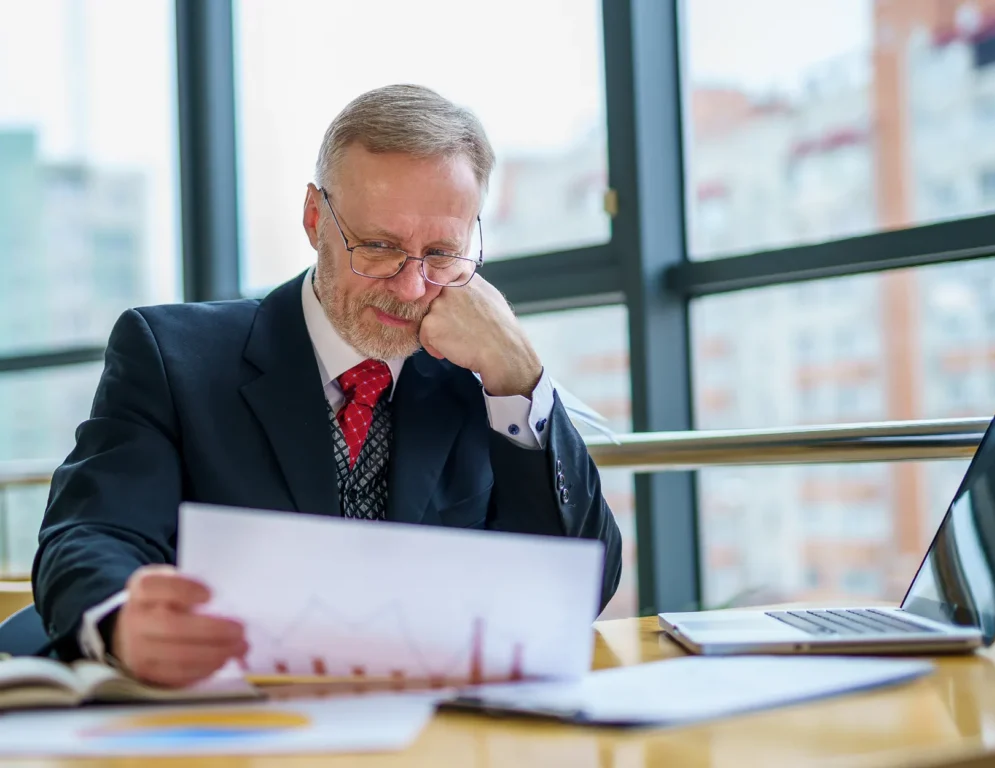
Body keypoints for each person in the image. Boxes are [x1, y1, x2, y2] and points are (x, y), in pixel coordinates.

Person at [31, 84, 622, 688]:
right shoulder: (172, 357)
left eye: (441, 253)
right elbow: (90, 532)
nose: (412, 287)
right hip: (234, 726)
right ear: (315, 219)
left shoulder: (484, 381)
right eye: (380, 247)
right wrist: (122, 622)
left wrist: (521, 378)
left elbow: (580, 586)